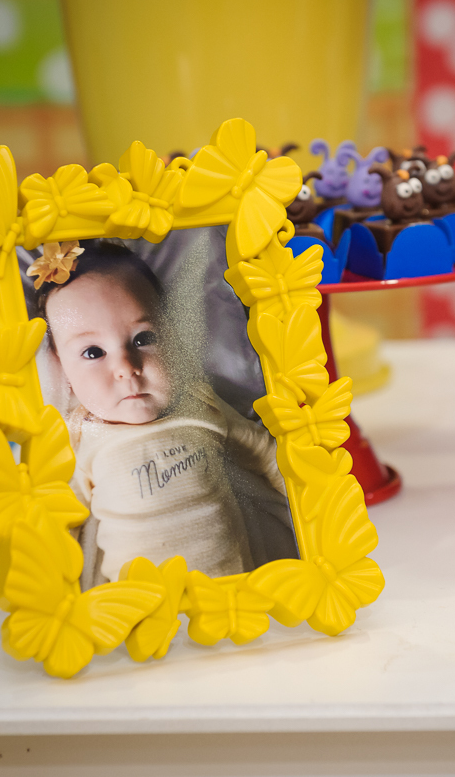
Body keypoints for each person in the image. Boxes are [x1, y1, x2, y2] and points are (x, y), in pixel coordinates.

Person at [33, 240, 290, 587]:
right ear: (61, 370)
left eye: (143, 338)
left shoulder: (200, 402)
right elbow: (61, 519)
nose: (126, 367)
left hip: (233, 590)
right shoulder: (80, 437)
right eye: (93, 352)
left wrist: (315, 501)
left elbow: (268, 456)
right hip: (137, 609)